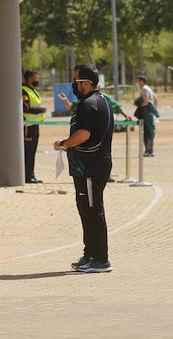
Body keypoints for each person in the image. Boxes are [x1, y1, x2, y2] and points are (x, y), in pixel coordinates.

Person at [54, 64, 114, 274]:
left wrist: (64, 144)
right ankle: (89, 254)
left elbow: (83, 134)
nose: (74, 85)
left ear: (86, 83)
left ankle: (100, 259)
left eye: (76, 81)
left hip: (90, 167)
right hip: (91, 166)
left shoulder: (89, 104)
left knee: (93, 211)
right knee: (86, 210)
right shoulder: (101, 101)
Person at [22, 69, 46, 184]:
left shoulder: (33, 90)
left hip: (34, 125)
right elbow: (25, 108)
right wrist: (40, 110)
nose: (37, 80)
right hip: (28, 126)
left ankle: (30, 174)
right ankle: (28, 176)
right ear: (29, 79)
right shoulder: (24, 91)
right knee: (28, 152)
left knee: (32, 152)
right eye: (35, 78)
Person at [133, 74, 159, 157]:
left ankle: (149, 151)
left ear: (142, 81)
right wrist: (153, 108)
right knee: (150, 132)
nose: (137, 83)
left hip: (146, 114)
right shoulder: (148, 88)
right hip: (149, 113)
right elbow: (156, 98)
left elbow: (145, 101)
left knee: (147, 133)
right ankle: (149, 150)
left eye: (138, 81)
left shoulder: (144, 89)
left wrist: (139, 105)